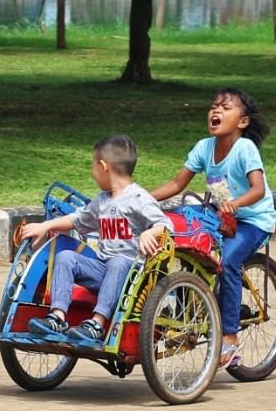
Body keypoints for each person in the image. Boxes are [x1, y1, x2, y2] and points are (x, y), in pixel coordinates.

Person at [151, 87, 276, 368]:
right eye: (213, 106)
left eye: (225, 107)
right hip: (220, 216)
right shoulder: (204, 147)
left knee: (227, 261)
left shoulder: (245, 148)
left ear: (243, 121)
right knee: (180, 240)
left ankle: (229, 336)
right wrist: (141, 198)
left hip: (253, 220)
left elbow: (258, 189)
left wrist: (235, 204)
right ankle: (186, 314)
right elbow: (177, 184)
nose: (216, 110)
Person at [21, 135, 171, 342]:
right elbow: (77, 219)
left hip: (132, 277)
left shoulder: (139, 198)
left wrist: (149, 232)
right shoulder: (102, 201)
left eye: (93, 166)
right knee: (65, 257)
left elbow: (165, 225)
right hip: (102, 270)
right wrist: (46, 225)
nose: (92, 172)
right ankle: (58, 317)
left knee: (118, 262)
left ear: (103, 167)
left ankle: (97, 323)